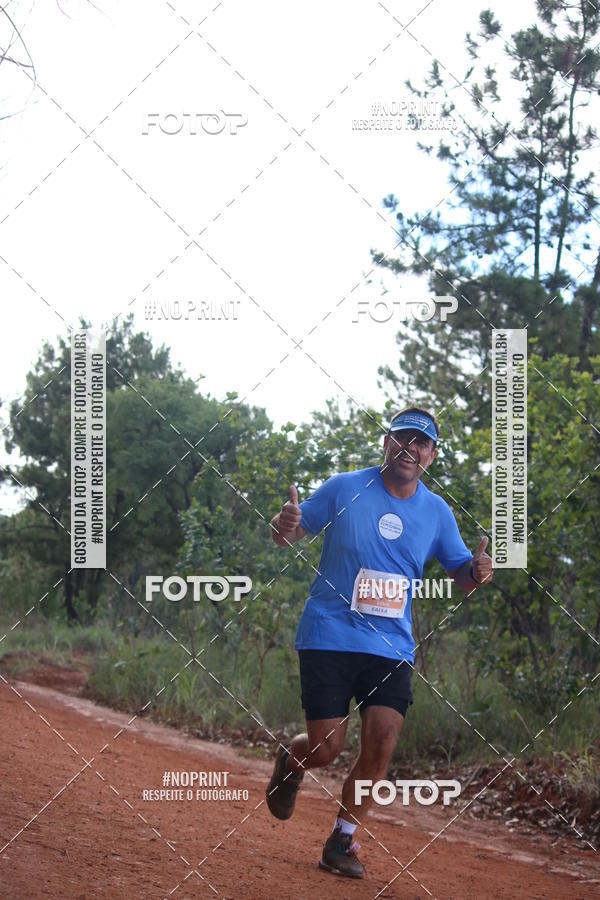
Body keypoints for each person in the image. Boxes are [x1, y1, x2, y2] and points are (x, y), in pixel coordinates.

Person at [265, 406, 493, 878]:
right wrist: (283, 523)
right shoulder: (345, 487)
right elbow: (287, 535)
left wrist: (478, 572)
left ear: (430, 455)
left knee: (382, 744)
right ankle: (293, 760)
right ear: (386, 443)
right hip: (329, 634)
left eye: (421, 443)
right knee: (327, 748)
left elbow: (461, 573)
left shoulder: (436, 511)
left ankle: (341, 843)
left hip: (390, 645)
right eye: (402, 439)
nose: (409, 449)